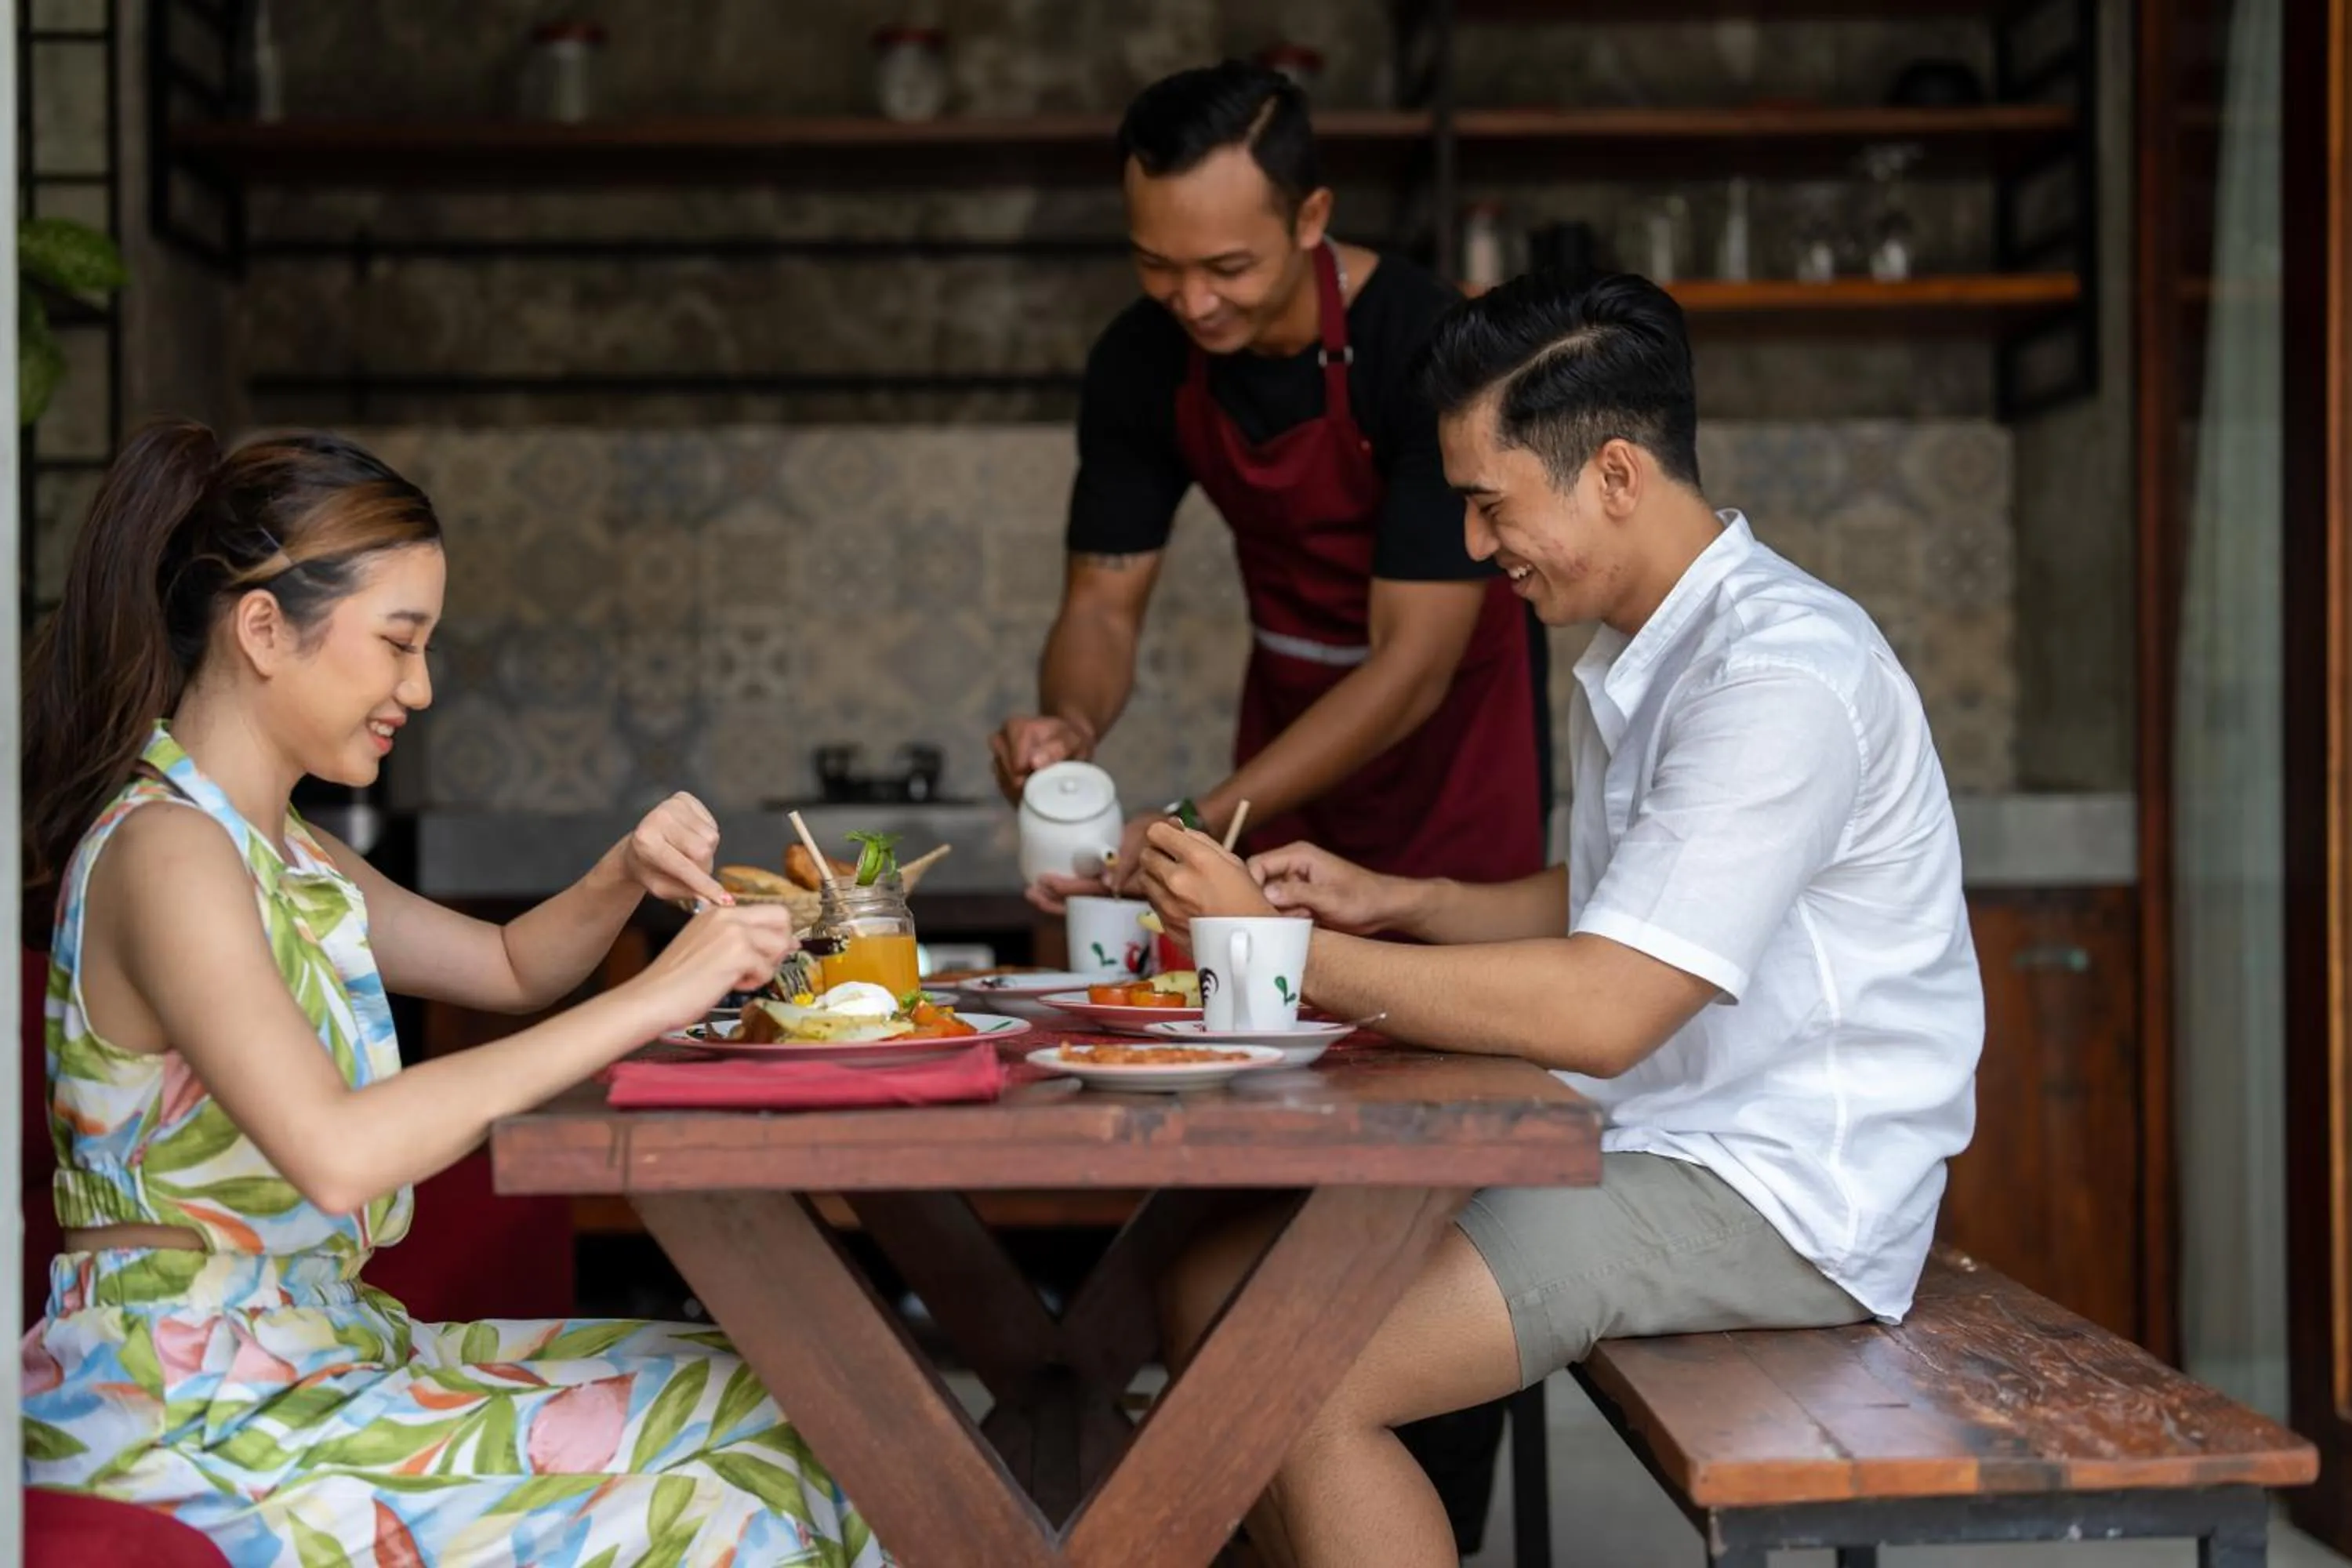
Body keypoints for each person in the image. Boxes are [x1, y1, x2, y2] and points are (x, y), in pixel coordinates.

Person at [1137, 273, 1984, 1567]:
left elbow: (1605, 1005)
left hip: (1776, 1190)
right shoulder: (1659, 650)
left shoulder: (1779, 678)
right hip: (1653, 1134)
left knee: (1292, 1376)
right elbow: (1634, 902)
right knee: (1204, 1287)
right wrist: (1405, 901)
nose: (1476, 547)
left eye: (1491, 504)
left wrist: (1274, 948)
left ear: (1618, 476)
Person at [19, 422, 888, 1566]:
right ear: (265, 629)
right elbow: (333, 1152)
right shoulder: (168, 854)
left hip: (316, 1356)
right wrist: (652, 999)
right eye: (398, 643)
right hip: (194, 1412)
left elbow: (510, 968)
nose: (419, 688)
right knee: (738, 1512)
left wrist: (620, 874)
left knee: (798, 1398)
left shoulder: (284, 851)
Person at [991, 59, 1549, 903]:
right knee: (1273, 993)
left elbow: (1412, 665)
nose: (1193, 301)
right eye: (1156, 265)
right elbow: (1102, 605)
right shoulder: (1141, 359)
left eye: (1227, 266)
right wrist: (1072, 721)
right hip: (1288, 737)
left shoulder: (1424, 344)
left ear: (1310, 217)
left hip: (1453, 738)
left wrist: (1199, 817)